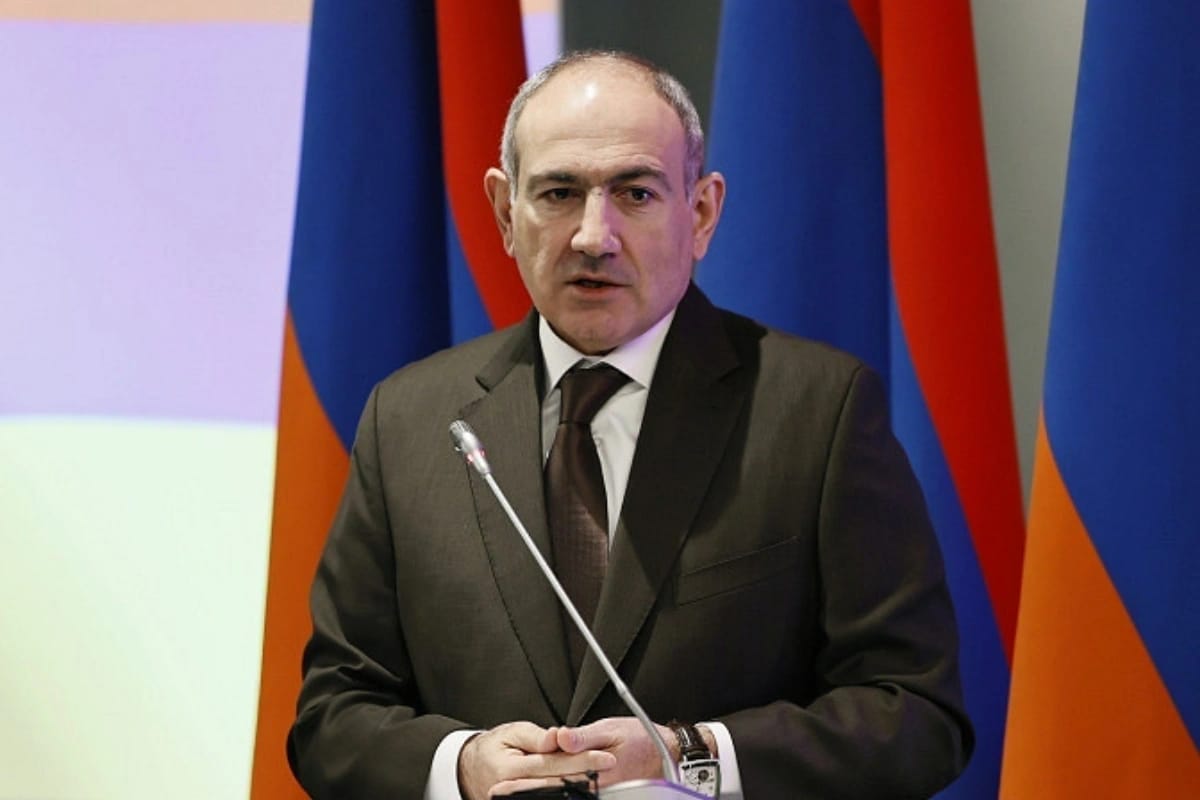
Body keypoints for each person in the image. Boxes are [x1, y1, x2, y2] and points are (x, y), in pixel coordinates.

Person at [288, 50, 972, 799]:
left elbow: (915, 714)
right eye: (558, 193)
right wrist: (461, 764)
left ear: (701, 213)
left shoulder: (818, 411)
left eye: (635, 193)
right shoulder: (408, 419)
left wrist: (689, 754)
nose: (594, 235)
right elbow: (332, 717)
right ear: (505, 212)